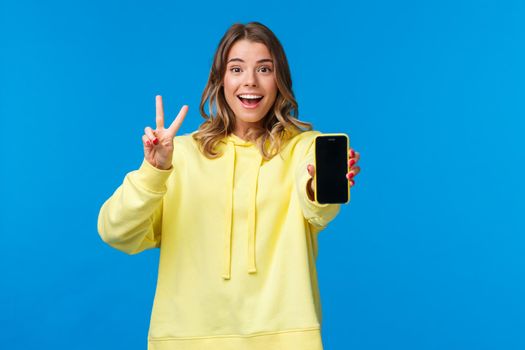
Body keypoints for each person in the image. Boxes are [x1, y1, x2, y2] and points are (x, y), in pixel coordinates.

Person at [97, 21, 361, 350]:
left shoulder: (304, 148)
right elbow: (116, 232)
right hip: (184, 340)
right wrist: (154, 170)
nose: (250, 81)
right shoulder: (179, 154)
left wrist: (316, 187)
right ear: (220, 79)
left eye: (264, 69)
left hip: (286, 339)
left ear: (280, 80)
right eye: (237, 69)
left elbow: (318, 208)